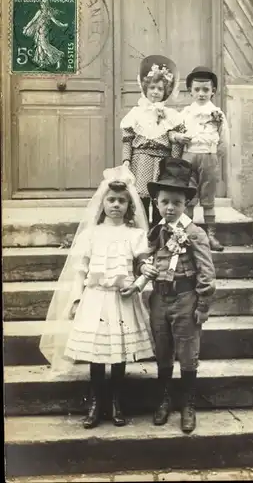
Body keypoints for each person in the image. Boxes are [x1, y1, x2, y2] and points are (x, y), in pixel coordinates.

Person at [39, 166, 154, 430]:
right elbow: (81, 270)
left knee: (118, 351)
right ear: (102, 203)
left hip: (121, 298)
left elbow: (144, 266)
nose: (116, 205)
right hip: (95, 297)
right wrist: (77, 298)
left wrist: (137, 284)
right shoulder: (91, 234)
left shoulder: (135, 235)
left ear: (129, 205)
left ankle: (116, 402)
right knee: (96, 352)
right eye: (111, 200)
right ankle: (96, 402)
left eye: (122, 201)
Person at [132, 157, 216, 434]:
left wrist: (203, 304)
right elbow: (144, 258)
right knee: (163, 350)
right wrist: (142, 265)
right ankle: (164, 399)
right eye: (165, 202)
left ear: (186, 205)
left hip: (185, 298)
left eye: (177, 203)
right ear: (156, 202)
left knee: (188, 352)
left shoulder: (195, 233)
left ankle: (187, 404)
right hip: (159, 298)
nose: (170, 208)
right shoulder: (155, 232)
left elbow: (206, 272)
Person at [169, 66, 230, 251]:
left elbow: (225, 139)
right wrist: (178, 137)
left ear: (213, 91)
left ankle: (211, 235)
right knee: (188, 196)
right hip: (188, 157)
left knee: (208, 197)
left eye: (206, 89)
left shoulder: (217, 114)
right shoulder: (185, 113)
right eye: (197, 89)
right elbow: (171, 132)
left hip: (208, 157)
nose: (201, 93)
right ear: (190, 91)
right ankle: (186, 234)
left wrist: (213, 155)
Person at [120, 55, 184, 226]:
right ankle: (142, 232)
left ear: (166, 92)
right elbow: (127, 139)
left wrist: (175, 163)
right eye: (152, 88)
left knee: (160, 199)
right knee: (141, 198)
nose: (155, 92)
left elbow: (176, 142)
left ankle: (158, 232)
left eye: (160, 89)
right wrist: (126, 160)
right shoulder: (135, 113)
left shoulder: (172, 116)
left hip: (163, 161)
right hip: (141, 160)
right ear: (145, 89)